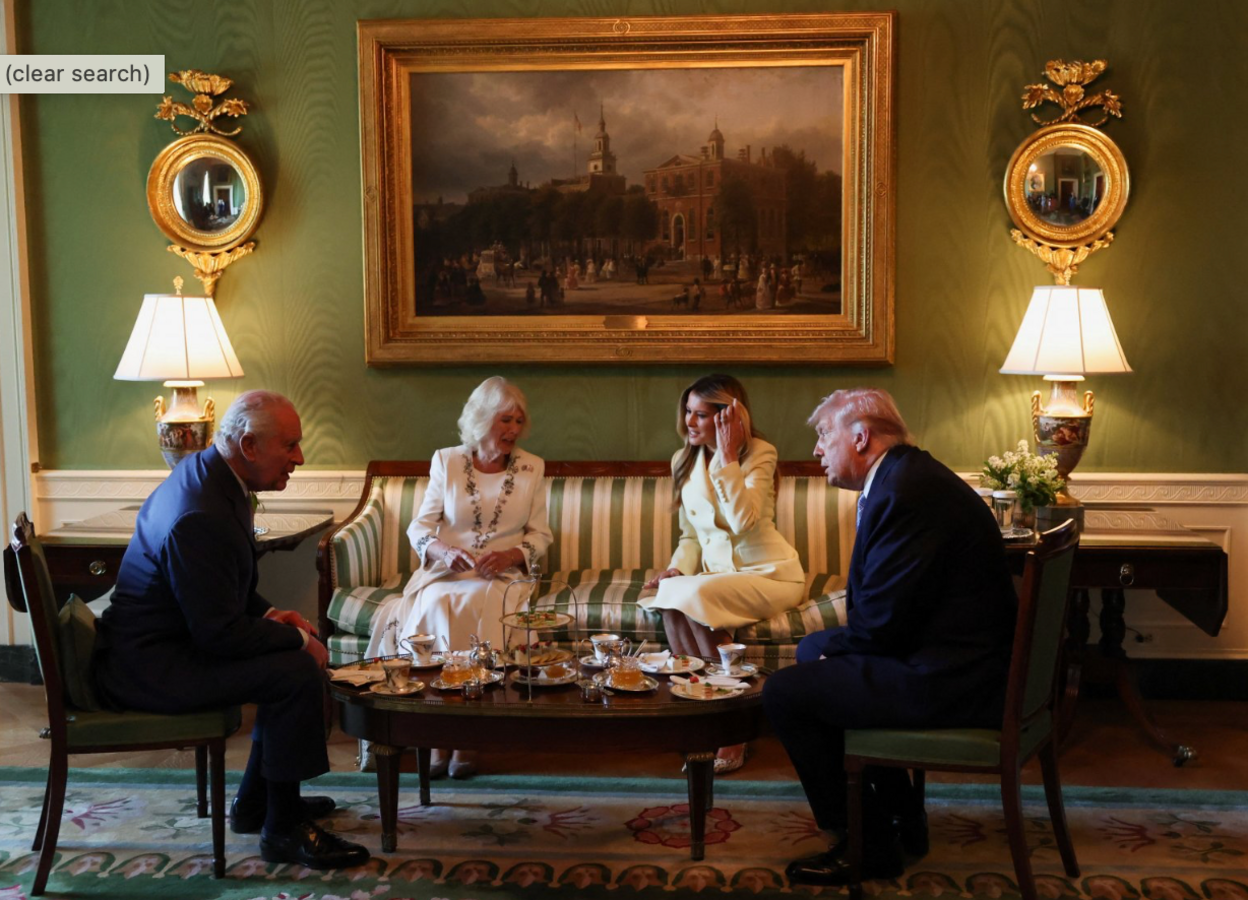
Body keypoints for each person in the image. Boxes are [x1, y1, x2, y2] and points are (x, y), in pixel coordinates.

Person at [92, 391, 369, 870]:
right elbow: (218, 633)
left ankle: (256, 804)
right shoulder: (201, 512)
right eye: (290, 445)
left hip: (165, 648)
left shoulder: (208, 476)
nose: (300, 458)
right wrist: (299, 640)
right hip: (151, 668)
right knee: (294, 673)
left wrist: (273, 615)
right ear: (249, 446)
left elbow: (219, 589)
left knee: (288, 662)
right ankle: (282, 829)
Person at [763, 388, 1017, 886]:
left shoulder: (906, 492)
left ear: (860, 438)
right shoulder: (905, 477)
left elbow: (880, 624)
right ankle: (901, 815)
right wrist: (831, 653)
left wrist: (834, 658)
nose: (817, 449)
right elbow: (892, 610)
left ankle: (868, 846)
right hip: (952, 656)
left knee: (785, 694)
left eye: (824, 435)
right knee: (813, 650)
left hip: (957, 678)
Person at [366, 376, 553, 779]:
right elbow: (420, 527)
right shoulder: (447, 461)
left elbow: (540, 536)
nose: (514, 429)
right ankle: (437, 734)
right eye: (505, 420)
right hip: (445, 573)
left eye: (519, 421)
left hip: (502, 577)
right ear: (482, 419)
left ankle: (469, 734)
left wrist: (510, 555)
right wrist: (443, 551)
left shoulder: (532, 467)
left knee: (484, 602)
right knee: (437, 602)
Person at [640, 374, 805, 774]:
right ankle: (701, 719)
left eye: (700, 414)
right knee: (671, 598)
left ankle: (733, 729)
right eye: (688, 412)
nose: (689, 422)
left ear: (728, 416)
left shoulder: (761, 453)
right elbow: (690, 536)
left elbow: (743, 522)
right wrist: (677, 568)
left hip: (770, 575)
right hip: (716, 579)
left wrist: (728, 458)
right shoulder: (683, 460)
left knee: (694, 595)